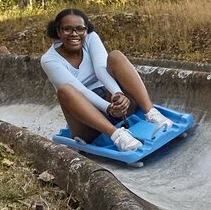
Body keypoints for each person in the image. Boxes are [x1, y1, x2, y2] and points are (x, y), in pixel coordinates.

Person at [40, 8, 168, 152]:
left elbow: (101, 69)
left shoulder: (90, 38)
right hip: (88, 121)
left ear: (86, 30)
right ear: (58, 31)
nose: (74, 34)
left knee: (115, 56)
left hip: (114, 106)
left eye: (80, 29)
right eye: (67, 29)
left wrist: (118, 96)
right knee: (65, 90)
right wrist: (108, 109)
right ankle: (117, 136)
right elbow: (79, 89)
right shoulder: (49, 60)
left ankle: (150, 112)